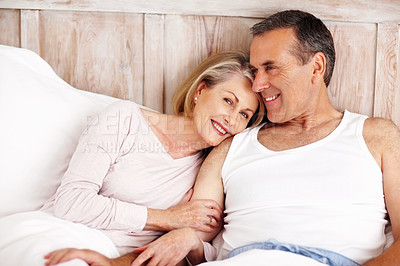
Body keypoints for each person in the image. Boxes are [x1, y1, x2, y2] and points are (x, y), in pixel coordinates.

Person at [45, 10, 400, 266]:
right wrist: (110, 265)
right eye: (255, 71)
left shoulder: (377, 136)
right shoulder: (231, 146)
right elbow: (188, 236)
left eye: (270, 68)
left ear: (317, 67)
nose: (258, 85)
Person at [0, 50, 265, 266]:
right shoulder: (123, 119)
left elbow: (192, 248)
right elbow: (71, 202)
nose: (232, 119)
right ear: (200, 91)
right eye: (228, 101)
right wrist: (165, 217)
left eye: (244, 114)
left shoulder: (212, 168)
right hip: (61, 233)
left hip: (122, 261)